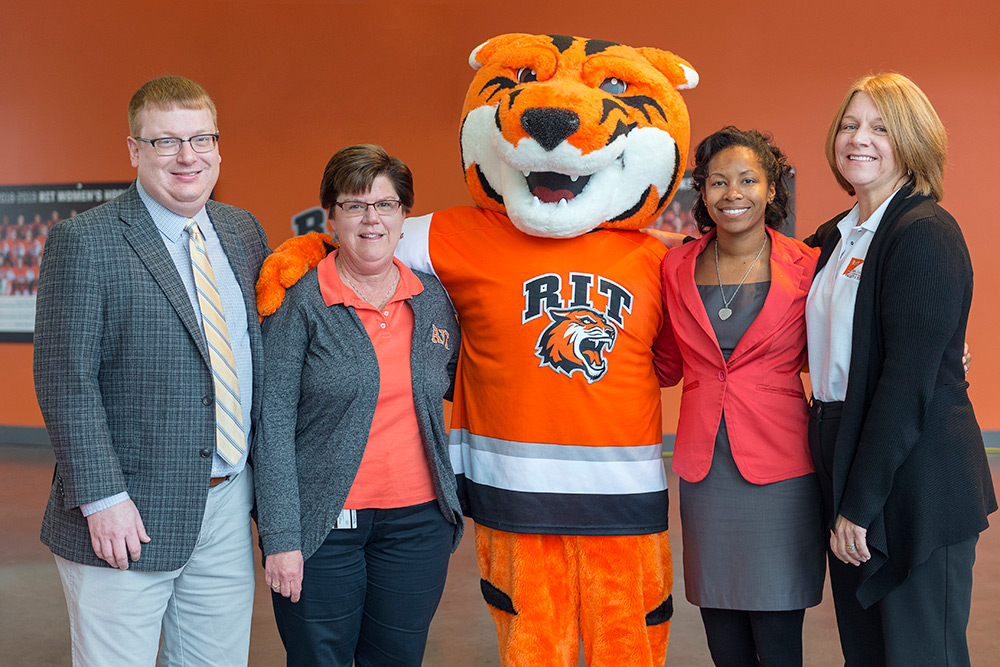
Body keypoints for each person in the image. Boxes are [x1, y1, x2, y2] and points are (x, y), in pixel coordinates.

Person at [33, 76, 269, 665]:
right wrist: (103, 498)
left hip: (225, 505)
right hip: (126, 516)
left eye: (200, 139)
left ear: (219, 146)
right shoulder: (84, 242)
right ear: (134, 151)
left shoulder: (243, 232)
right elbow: (66, 381)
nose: (187, 157)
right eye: (165, 142)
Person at [805, 73, 996, 666]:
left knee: (920, 656)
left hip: (913, 476)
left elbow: (907, 385)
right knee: (867, 656)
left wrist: (858, 505)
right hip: (848, 449)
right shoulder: (840, 236)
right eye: (850, 124)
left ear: (912, 141)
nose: (859, 138)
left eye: (881, 128)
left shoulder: (924, 232)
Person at [254, 144, 463, 667]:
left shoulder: (433, 299)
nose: (371, 219)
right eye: (354, 205)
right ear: (330, 215)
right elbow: (272, 423)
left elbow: (465, 383)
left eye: (386, 205)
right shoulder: (299, 301)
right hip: (324, 526)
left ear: (403, 215)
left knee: (397, 658)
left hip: (418, 525)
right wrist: (280, 536)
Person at [654, 128, 825, 666]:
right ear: (701, 192)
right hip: (706, 473)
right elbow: (661, 361)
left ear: (772, 188)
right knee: (721, 631)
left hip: (782, 469)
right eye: (718, 181)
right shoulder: (674, 267)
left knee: (777, 637)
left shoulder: (809, 267)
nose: (734, 193)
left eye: (748, 179)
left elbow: (850, 339)